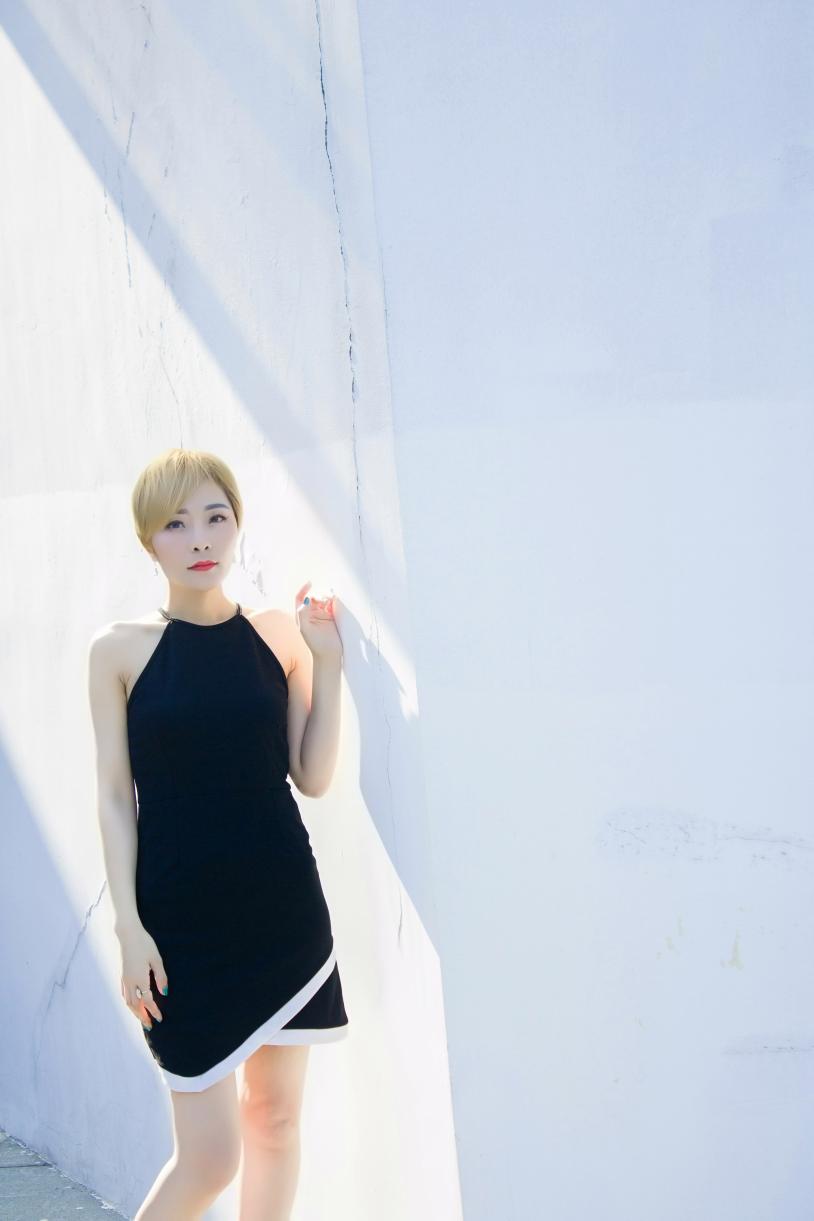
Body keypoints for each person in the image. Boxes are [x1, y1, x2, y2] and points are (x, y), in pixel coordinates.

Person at [86, 447, 349, 1220]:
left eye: (215, 516)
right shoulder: (118, 650)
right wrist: (128, 926)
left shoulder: (276, 635)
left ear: (237, 525)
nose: (200, 537)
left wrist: (326, 664)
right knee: (208, 1159)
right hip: (179, 926)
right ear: (148, 540)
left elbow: (312, 774)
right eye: (176, 523)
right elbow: (113, 795)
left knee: (275, 1122)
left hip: (282, 912)